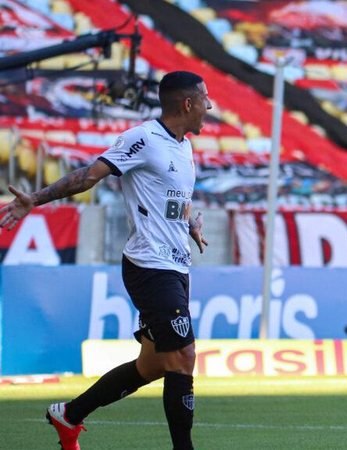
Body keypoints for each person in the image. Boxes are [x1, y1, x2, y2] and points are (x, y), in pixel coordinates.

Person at [0, 71, 212, 450]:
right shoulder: (143, 138)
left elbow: (171, 197)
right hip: (150, 266)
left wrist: (189, 223)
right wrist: (36, 197)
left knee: (153, 366)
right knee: (183, 357)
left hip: (177, 266)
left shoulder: (184, 147)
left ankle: (68, 414)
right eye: (205, 99)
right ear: (187, 103)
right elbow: (87, 176)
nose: (209, 107)